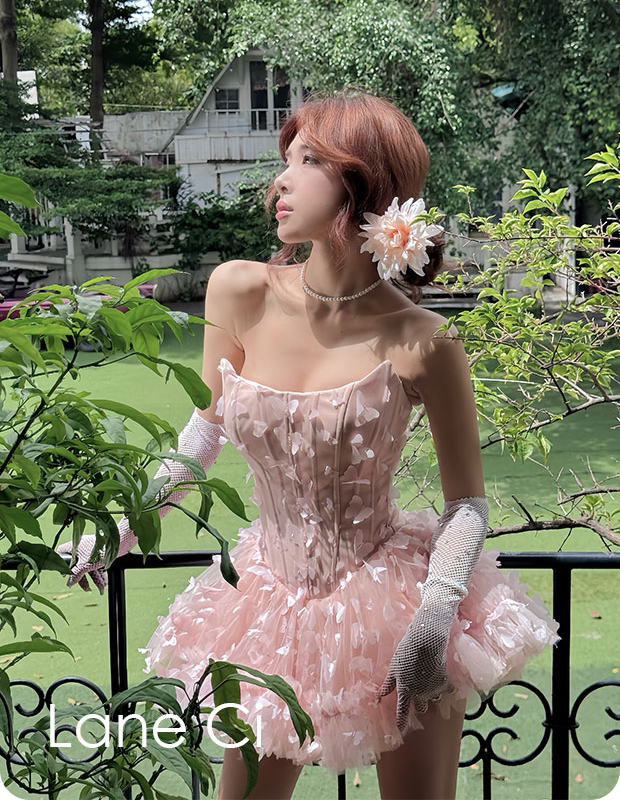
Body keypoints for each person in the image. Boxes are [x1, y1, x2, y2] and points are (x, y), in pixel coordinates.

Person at [58, 90, 561, 800]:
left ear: (363, 185)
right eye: (286, 160)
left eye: (307, 161)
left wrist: (435, 615)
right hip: (267, 603)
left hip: (398, 606)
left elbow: (467, 505)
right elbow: (204, 433)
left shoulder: (424, 342)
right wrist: (125, 524)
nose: (280, 181)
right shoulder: (239, 290)